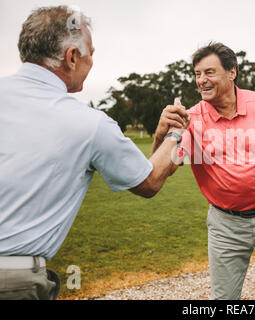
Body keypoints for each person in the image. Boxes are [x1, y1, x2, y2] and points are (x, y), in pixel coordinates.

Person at [0, 6, 188, 300]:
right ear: (71, 57)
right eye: (91, 53)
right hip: (13, 282)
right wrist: (175, 134)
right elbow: (149, 181)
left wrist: (161, 137)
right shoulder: (89, 123)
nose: (92, 62)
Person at [152, 42, 255, 300]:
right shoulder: (191, 119)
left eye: (209, 72)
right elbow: (163, 171)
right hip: (225, 225)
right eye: (197, 74)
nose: (201, 81)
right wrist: (160, 135)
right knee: (224, 300)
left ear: (232, 72)